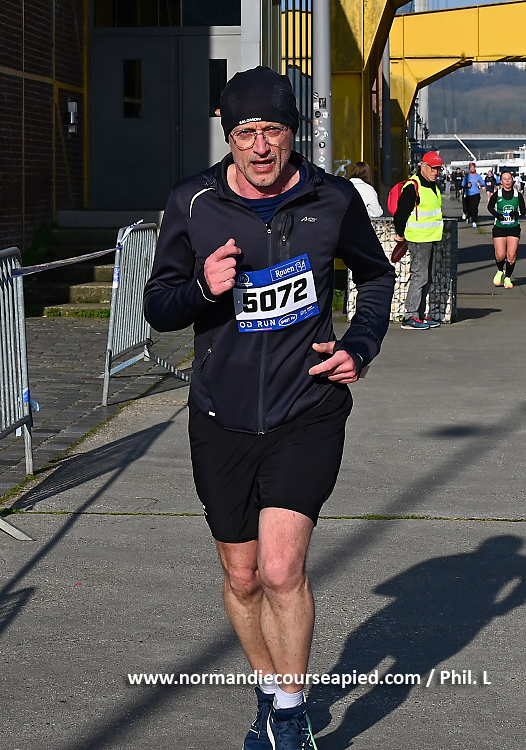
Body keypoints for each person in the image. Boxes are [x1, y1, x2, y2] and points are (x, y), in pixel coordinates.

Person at [143, 66, 395, 750]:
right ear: (228, 135)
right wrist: (203, 287)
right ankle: (269, 688)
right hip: (219, 416)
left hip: (307, 408)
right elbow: (159, 306)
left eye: (273, 130)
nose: (260, 146)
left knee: (282, 570)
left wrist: (361, 345)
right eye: (246, 132)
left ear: (294, 133)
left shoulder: (331, 199)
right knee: (243, 574)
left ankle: (289, 713)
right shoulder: (192, 202)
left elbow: (376, 276)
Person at [393, 150, 444, 330]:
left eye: (438, 169)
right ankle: (411, 316)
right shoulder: (413, 186)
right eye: (432, 168)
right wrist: (400, 234)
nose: (436, 172)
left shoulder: (433, 187)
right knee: (420, 276)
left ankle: (420, 315)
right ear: (423, 166)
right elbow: (400, 214)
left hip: (432, 238)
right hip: (419, 239)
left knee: (427, 277)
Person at [487, 169, 525, 289]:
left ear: (512, 180)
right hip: (499, 228)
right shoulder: (497, 194)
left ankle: (508, 278)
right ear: (501, 181)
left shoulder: (517, 195)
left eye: (509, 179)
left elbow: (523, 211)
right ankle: (500, 270)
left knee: (511, 255)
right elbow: (490, 207)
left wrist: (516, 213)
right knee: (500, 255)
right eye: (505, 179)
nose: (507, 181)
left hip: (513, 228)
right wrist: (497, 215)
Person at [462, 162, 485, 227]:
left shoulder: (478, 176)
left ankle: (474, 221)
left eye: (473, 167)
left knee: (474, 207)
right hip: (468, 194)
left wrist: (480, 184)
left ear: (475, 168)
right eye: (471, 167)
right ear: (469, 169)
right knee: (468, 207)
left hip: (476, 194)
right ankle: (468, 216)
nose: (472, 169)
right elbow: (463, 184)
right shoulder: (467, 176)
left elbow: (483, 183)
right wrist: (467, 185)